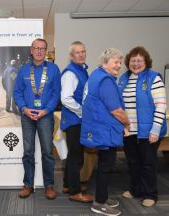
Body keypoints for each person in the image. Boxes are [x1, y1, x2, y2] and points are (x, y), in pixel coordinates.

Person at [80, 48, 130, 216]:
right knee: (105, 167)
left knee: (103, 165)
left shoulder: (95, 75)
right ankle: (99, 203)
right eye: (115, 62)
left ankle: (102, 196)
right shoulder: (106, 81)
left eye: (120, 62)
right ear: (104, 63)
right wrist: (127, 123)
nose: (119, 66)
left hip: (98, 129)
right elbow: (116, 110)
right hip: (104, 131)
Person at [118, 46, 167, 207]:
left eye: (139, 60)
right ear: (128, 62)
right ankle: (135, 189)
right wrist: (123, 126)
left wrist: (155, 130)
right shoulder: (123, 78)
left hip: (148, 132)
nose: (136, 63)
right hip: (128, 130)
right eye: (133, 60)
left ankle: (150, 194)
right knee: (133, 162)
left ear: (146, 62)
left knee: (148, 163)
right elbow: (118, 104)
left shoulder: (154, 78)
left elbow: (161, 105)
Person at [13, 38, 60, 200]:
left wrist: (46, 110)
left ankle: (49, 185)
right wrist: (24, 108)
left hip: (45, 117)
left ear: (46, 51)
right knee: (28, 152)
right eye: (36, 48)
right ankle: (28, 185)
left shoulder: (53, 69)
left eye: (42, 48)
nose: (39, 51)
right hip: (27, 116)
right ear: (31, 50)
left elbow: (56, 93)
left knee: (47, 152)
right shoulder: (24, 70)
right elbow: (17, 92)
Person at [60, 41, 93, 203]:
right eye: (77, 52)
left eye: (83, 51)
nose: (81, 54)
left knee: (73, 154)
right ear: (71, 56)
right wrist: (82, 112)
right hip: (75, 120)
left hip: (76, 120)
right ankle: (75, 191)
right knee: (76, 156)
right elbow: (65, 98)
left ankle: (68, 184)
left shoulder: (81, 70)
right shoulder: (70, 73)